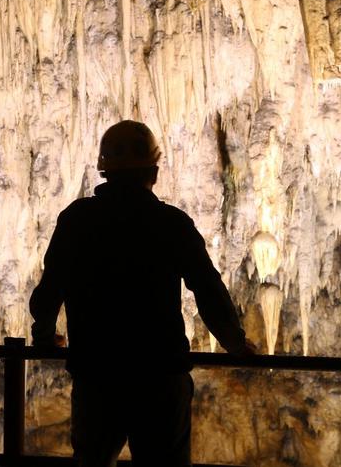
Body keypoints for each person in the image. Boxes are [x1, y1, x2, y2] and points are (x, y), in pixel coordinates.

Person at [29, 120, 255, 467]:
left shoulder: (77, 221)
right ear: (154, 171)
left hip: (98, 377)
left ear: (104, 171)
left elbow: (49, 291)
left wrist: (43, 337)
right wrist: (235, 343)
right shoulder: (170, 223)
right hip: (159, 377)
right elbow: (207, 289)